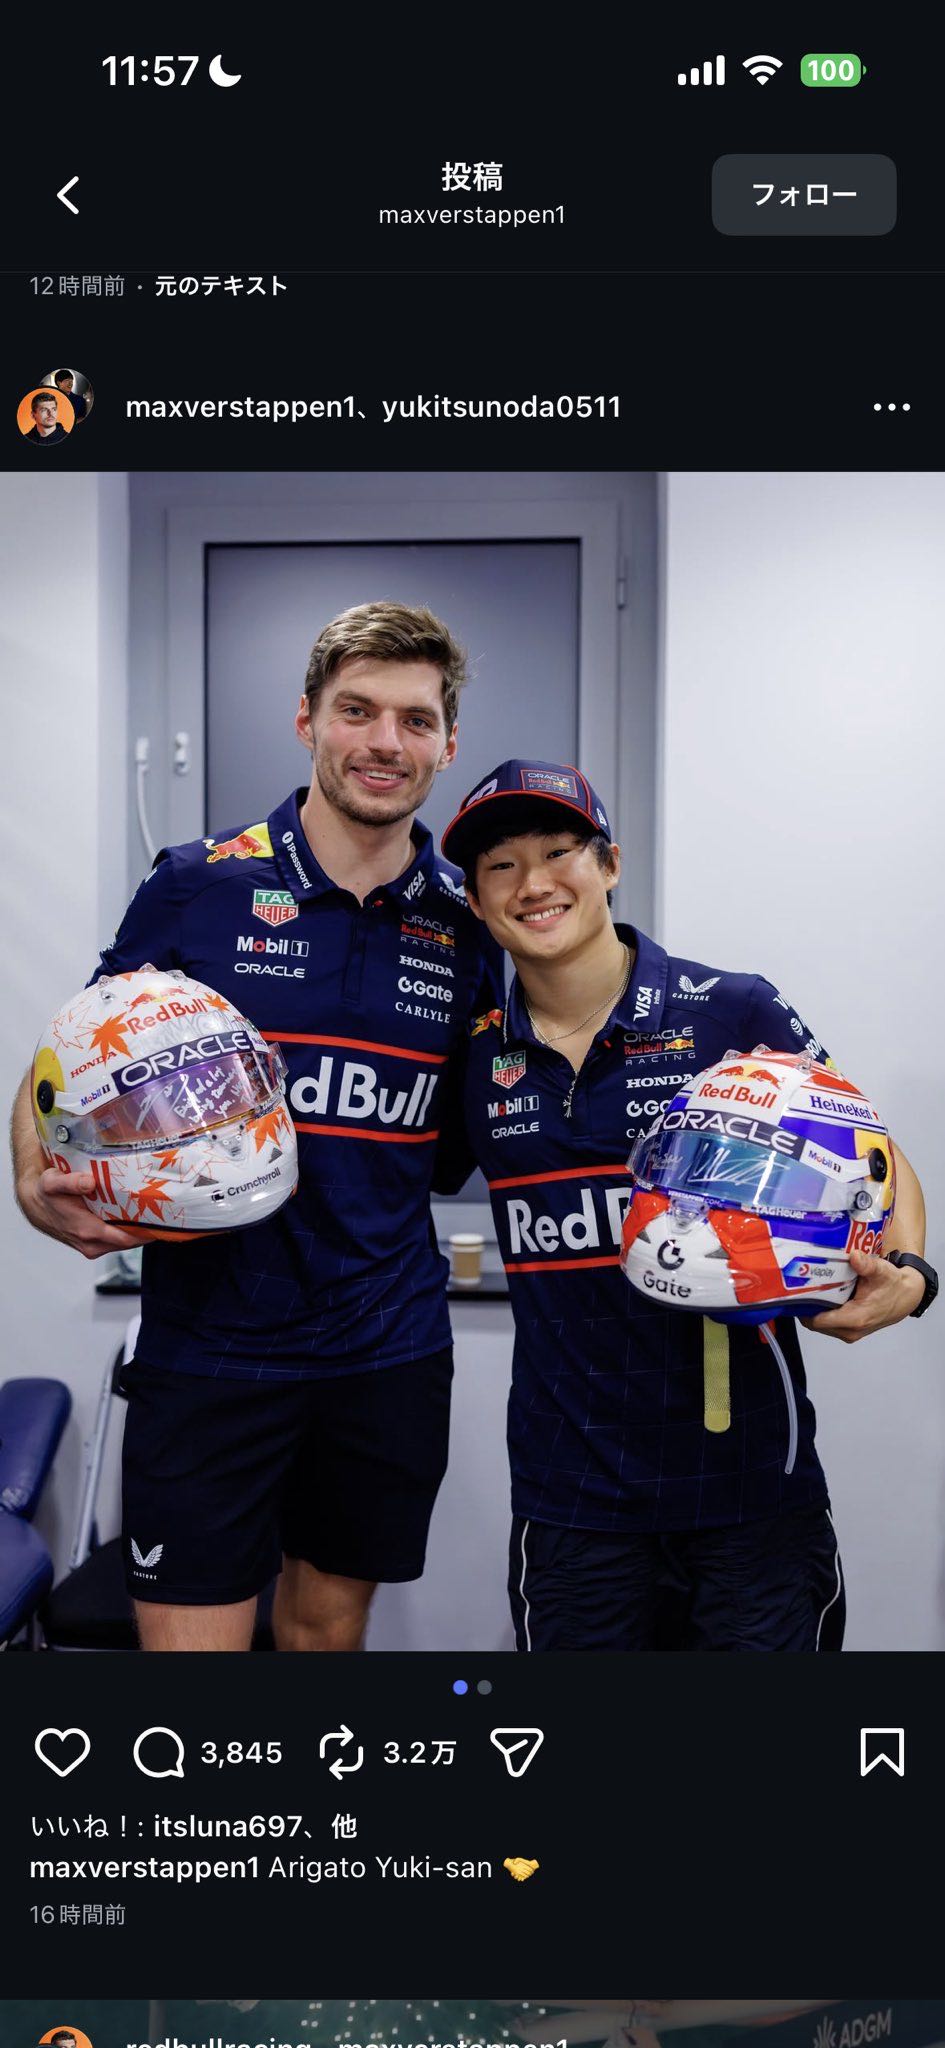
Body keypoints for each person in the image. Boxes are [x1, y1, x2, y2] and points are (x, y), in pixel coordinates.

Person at [12, 601, 501, 1652]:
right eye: (357, 710)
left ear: (448, 743)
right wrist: (29, 1179)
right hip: (209, 1347)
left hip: (387, 1347)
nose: (385, 741)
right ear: (306, 719)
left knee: (326, 1637)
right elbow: (71, 1052)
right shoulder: (198, 882)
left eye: (415, 720)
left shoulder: (470, 922)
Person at [438, 758, 935, 1651]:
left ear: (609, 864)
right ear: (474, 901)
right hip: (570, 1495)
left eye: (558, 852)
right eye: (501, 866)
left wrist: (906, 1274)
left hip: (749, 1492)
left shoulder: (729, 1010)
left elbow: (876, 1155)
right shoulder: (472, 1054)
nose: (534, 883)